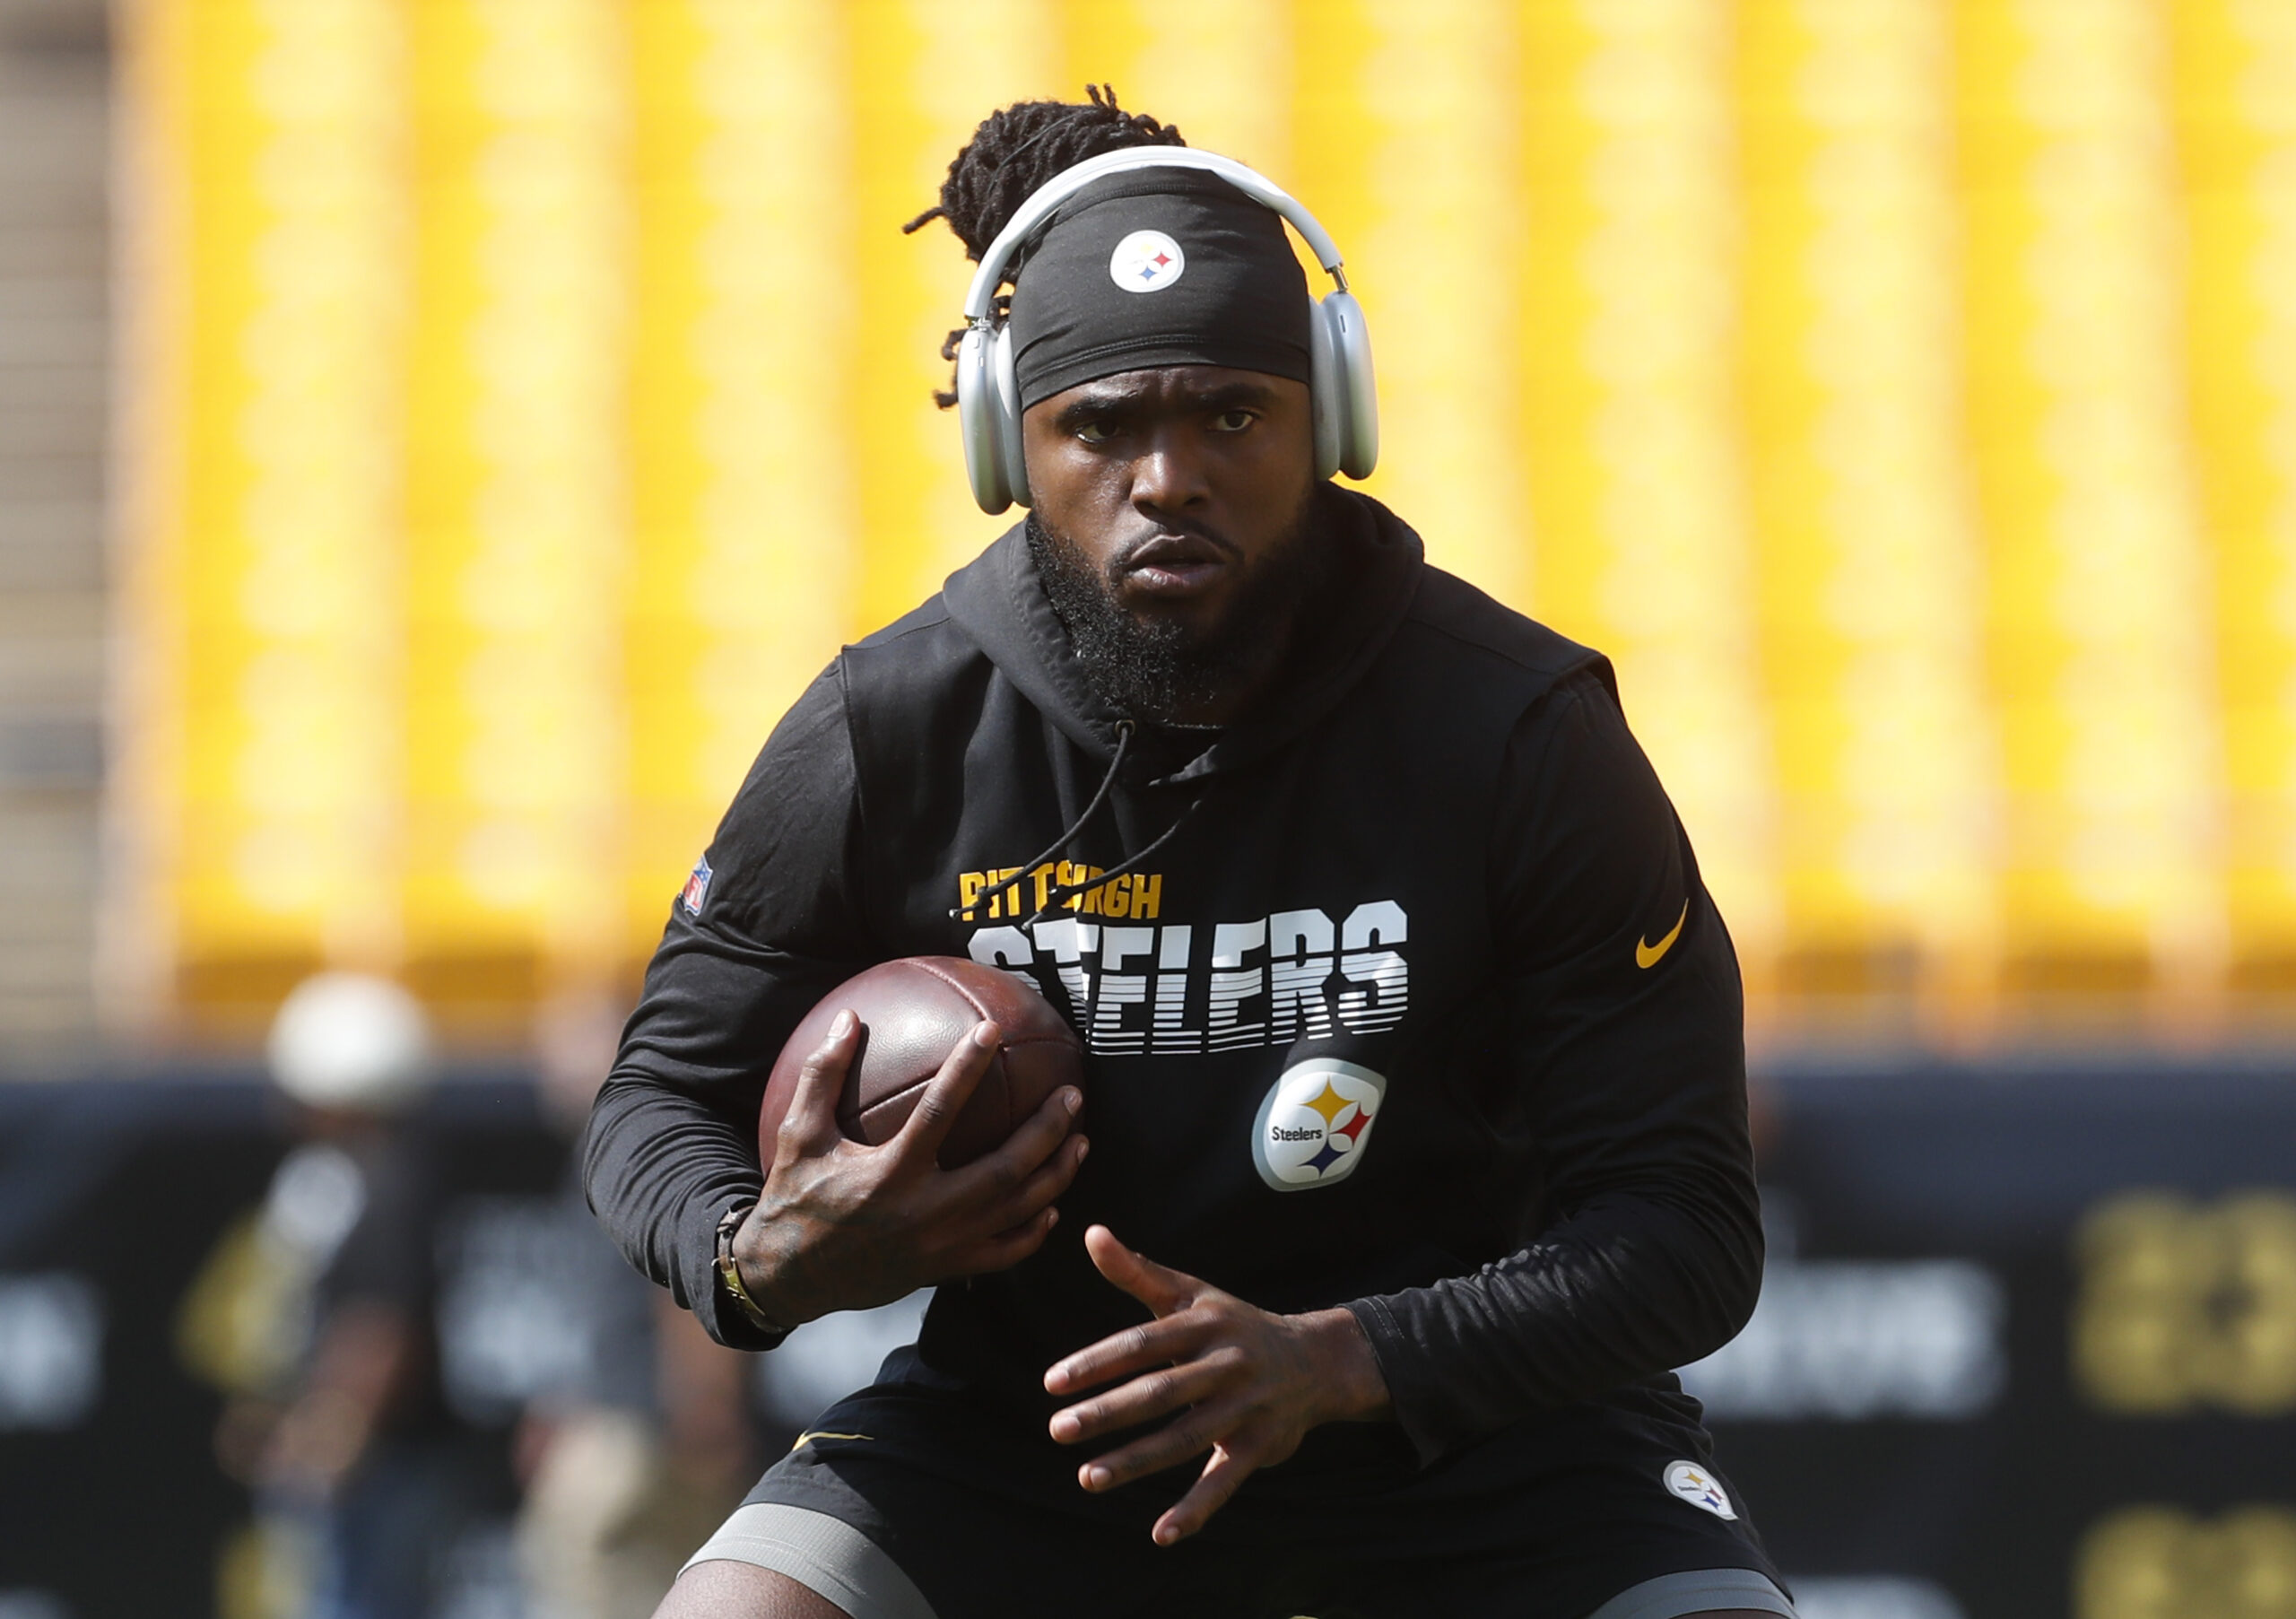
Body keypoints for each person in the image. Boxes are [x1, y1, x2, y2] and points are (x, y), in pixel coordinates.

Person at [587, 87, 1791, 1619]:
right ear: (1006, 441)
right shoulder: (885, 727)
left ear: (1331, 423)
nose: (1169, 477)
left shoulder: (1518, 731)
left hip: (1484, 1434)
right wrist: (760, 1252)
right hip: (1040, 1431)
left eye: (1232, 413)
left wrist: (1337, 1357)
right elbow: (654, 1100)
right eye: (1103, 424)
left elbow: (1686, 1229)